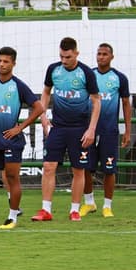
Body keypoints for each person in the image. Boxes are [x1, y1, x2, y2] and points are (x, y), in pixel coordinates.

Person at [0, 47, 44, 230]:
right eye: (0, 61)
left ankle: (12, 217)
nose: (2, 64)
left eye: (6, 61)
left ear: (13, 64)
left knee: (12, 178)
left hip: (12, 141)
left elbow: (39, 108)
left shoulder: (18, 85)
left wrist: (19, 127)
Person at [32, 37, 101, 222]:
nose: (64, 60)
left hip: (80, 128)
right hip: (58, 127)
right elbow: (46, 92)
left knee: (78, 170)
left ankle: (75, 210)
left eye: (68, 57)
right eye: (61, 56)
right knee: (48, 167)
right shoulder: (53, 70)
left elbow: (96, 100)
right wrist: (43, 115)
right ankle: (46, 210)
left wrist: (91, 129)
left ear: (76, 54)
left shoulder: (86, 72)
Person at [80, 43, 131, 218]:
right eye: (98, 54)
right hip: (89, 131)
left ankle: (107, 206)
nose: (101, 57)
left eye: (104, 54)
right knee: (85, 167)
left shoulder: (119, 78)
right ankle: (89, 203)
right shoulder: (89, 75)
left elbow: (125, 103)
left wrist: (128, 130)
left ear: (111, 57)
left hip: (109, 131)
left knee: (109, 169)